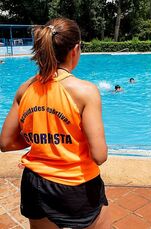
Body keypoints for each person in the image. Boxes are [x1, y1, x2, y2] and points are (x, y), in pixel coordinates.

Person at [0, 18, 111, 229]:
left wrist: (41, 138)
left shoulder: (25, 89)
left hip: (35, 185)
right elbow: (99, 156)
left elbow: (5, 143)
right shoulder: (85, 91)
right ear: (75, 50)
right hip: (77, 186)